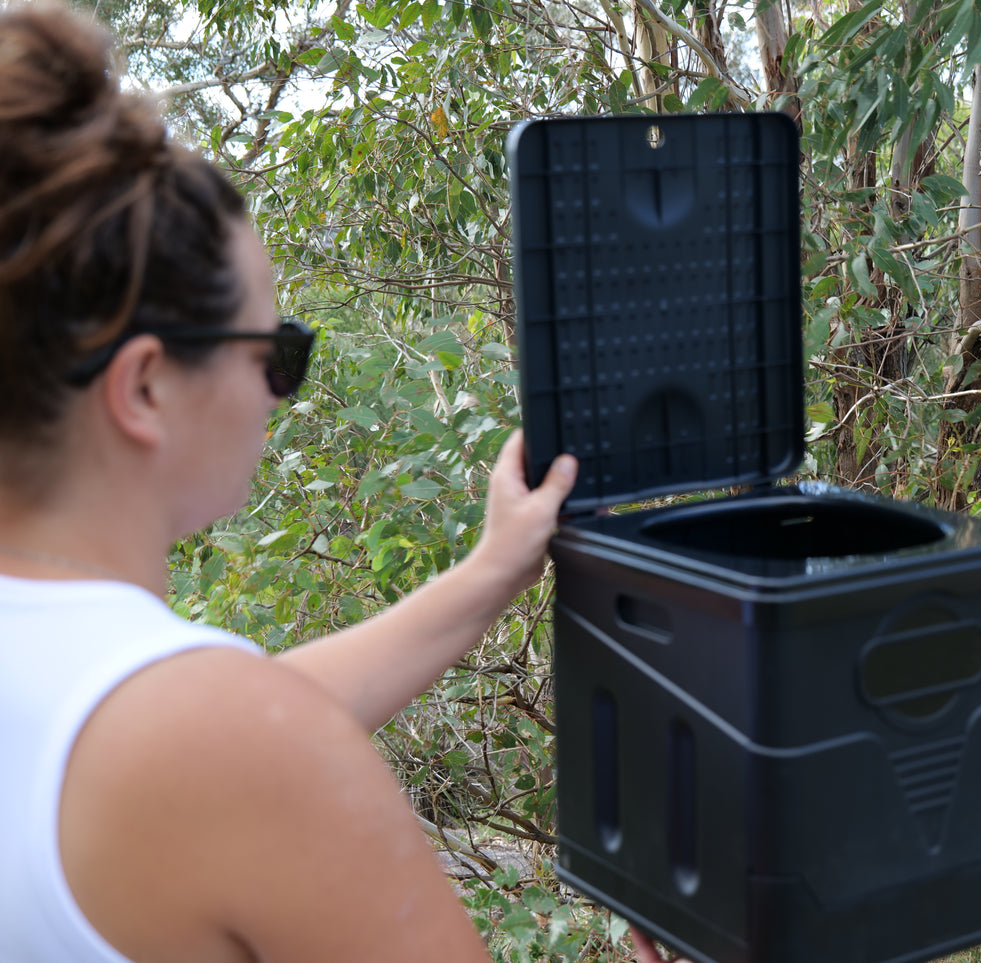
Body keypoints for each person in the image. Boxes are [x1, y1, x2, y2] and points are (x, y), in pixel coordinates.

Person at [0, 5, 587, 960]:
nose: (283, 390)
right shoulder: (229, 744)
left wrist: (488, 572)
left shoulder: (109, 698)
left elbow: (217, 722)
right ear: (145, 385)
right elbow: (234, 738)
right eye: (277, 350)